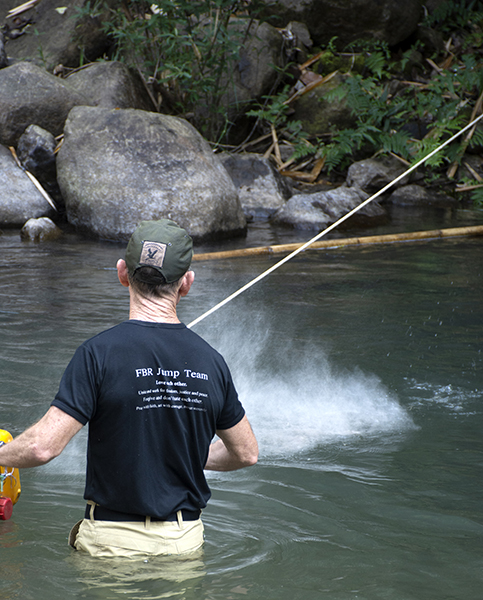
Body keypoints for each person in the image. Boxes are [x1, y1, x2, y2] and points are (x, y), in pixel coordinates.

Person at [0, 219, 258, 557]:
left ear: (122, 273)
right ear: (187, 284)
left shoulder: (98, 353)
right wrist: (183, 456)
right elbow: (246, 453)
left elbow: (41, 448)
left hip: (113, 545)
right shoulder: (213, 362)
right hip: (185, 544)